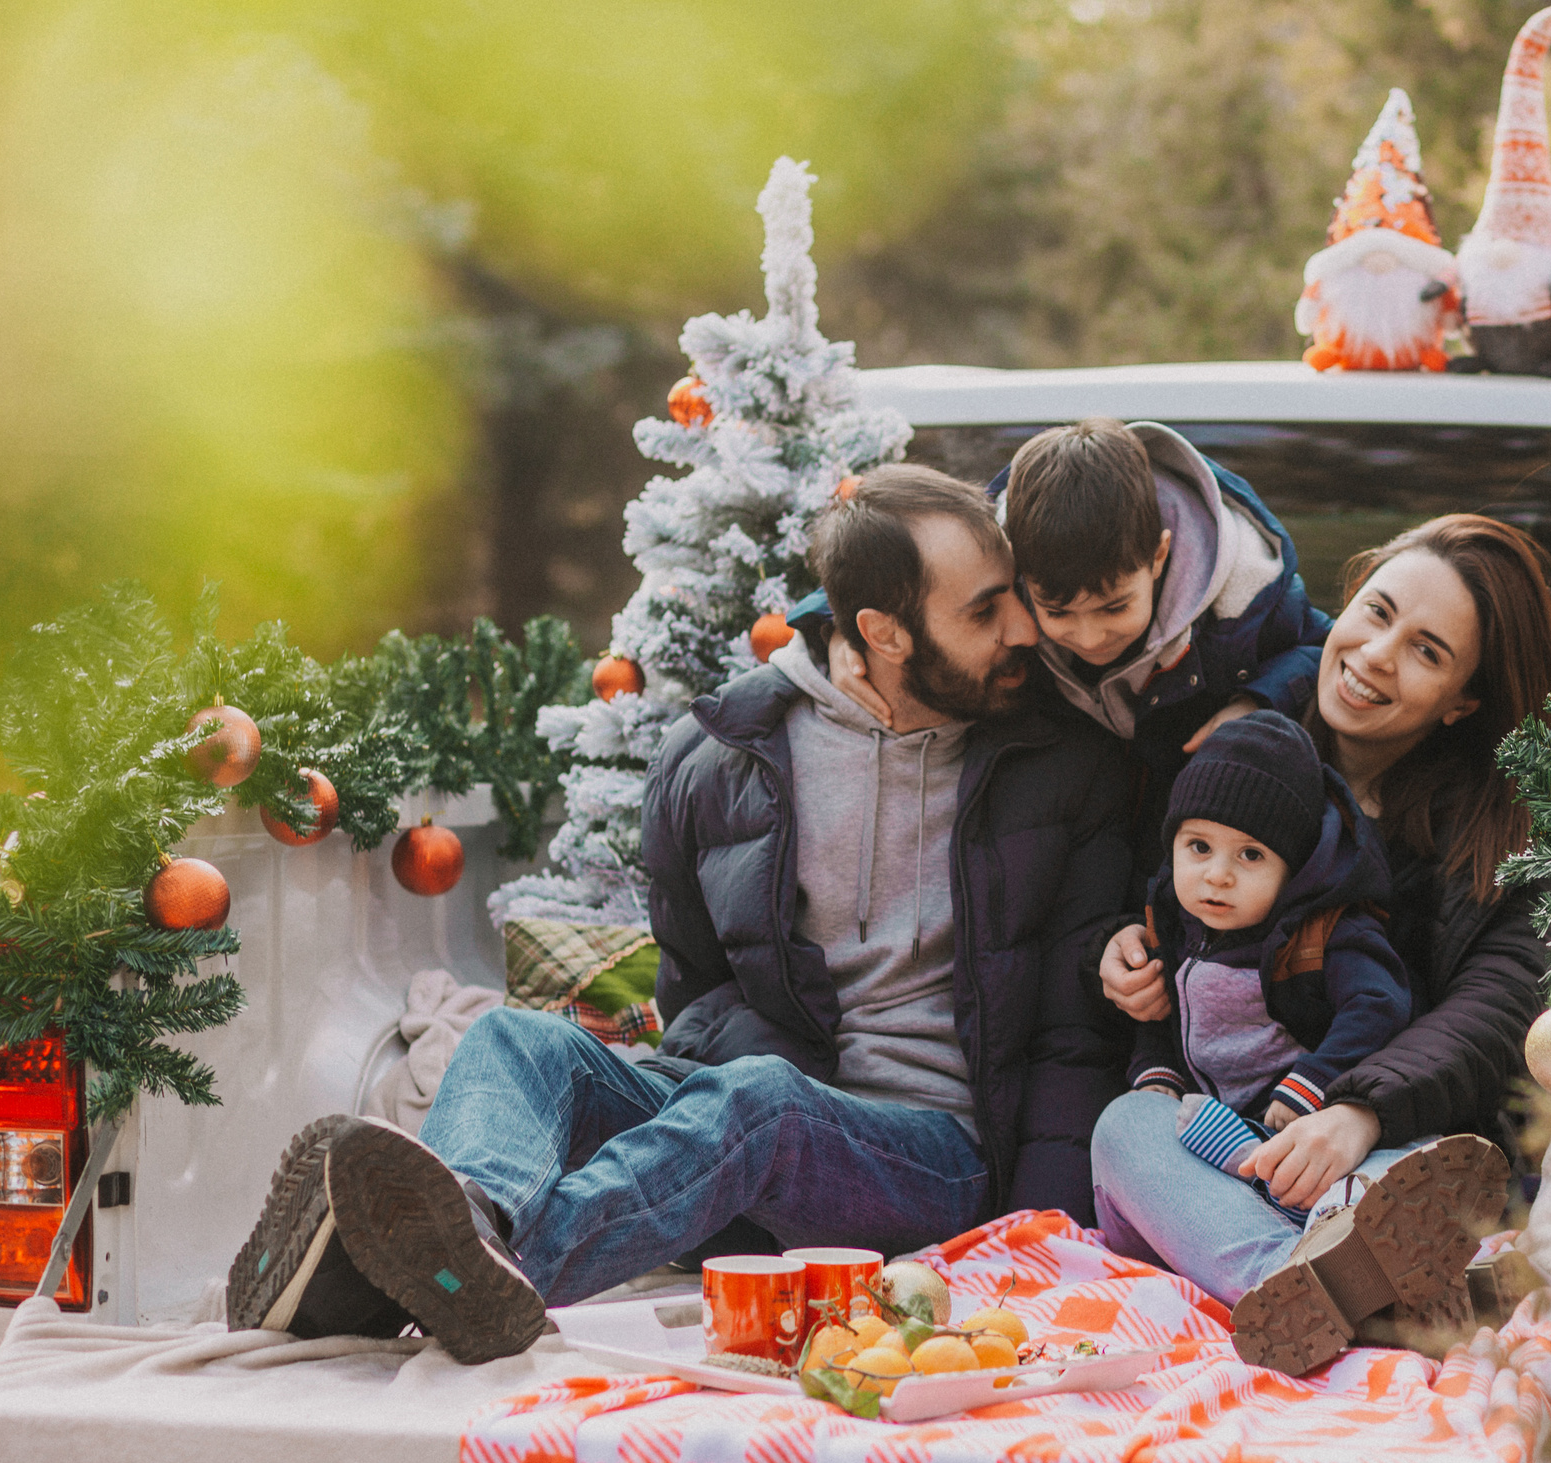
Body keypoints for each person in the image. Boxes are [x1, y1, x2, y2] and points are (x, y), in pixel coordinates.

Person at [224, 465, 1134, 1363]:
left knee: (762, 1104)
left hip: (936, 1156)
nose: (1022, 628)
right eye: (983, 610)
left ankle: (481, 1271)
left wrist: (1039, 1244)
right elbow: (696, 988)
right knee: (515, 1040)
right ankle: (466, 1233)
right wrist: (713, 1103)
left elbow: (1069, 1038)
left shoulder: (1055, 762)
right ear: (883, 632)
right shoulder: (718, 758)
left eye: (1010, 597)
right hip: (759, 1116)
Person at [1089, 513, 1551, 1376]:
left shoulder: (1498, 837)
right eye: (1377, 612)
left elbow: (1494, 1007)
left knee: (1425, 1172)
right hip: (1226, 1146)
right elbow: (1167, 885)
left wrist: (1359, 1109)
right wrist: (1132, 943)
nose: (1379, 653)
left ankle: (1334, 1273)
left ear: (1463, 699)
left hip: (1370, 1149)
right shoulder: (1240, 752)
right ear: (1347, 603)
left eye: (1427, 651)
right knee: (1126, 1128)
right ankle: (1312, 1284)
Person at [993, 418, 1332, 865]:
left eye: (1114, 608)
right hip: (1082, 857)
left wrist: (1257, 702)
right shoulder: (996, 608)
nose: (1089, 638)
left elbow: (1325, 653)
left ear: (1159, 555)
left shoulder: (1246, 605)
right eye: (1056, 613)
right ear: (1020, 572)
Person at [1125, 711, 1410, 1171]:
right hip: (1219, 1123)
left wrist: (1314, 1080)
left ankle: (1368, 1200)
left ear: (1293, 869)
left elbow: (1380, 1003)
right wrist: (1158, 1070)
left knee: (1346, 1169)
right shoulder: (1176, 920)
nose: (1217, 875)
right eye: (1199, 847)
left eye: (1251, 854)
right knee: (1129, 1126)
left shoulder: (1325, 931)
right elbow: (1162, 1010)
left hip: (1306, 1124)